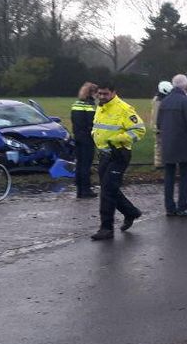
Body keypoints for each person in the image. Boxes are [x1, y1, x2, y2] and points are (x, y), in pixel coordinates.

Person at [90, 82, 146, 241]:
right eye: (99, 94)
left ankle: (106, 228)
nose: (101, 97)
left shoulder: (124, 109)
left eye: (105, 94)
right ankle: (131, 212)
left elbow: (139, 130)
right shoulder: (101, 106)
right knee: (110, 188)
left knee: (107, 191)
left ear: (114, 92)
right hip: (104, 154)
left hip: (119, 154)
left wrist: (119, 139)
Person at [158, 75, 187, 217]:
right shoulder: (185, 101)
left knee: (169, 175)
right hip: (182, 142)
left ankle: (170, 207)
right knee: (184, 175)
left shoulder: (164, 101)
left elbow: (159, 123)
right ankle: (183, 206)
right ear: (185, 85)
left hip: (167, 142)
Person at [70, 82, 98, 199]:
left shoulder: (75, 104)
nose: (97, 96)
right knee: (86, 165)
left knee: (80, 163)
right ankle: (86, 190)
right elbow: (92, 123)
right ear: (91, 93)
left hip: (77, 137)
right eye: (96, 93)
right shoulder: (90, 106)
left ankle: (79, 190)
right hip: (87, 138)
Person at [151, 80, 173, 168]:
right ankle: (159, 163)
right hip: (159, 127)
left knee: (160, 144)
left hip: (160, 126)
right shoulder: (158, 101)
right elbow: (157, 116)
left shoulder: (159, 99)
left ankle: (161, 162)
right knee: (159, 145)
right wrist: (158, 127)